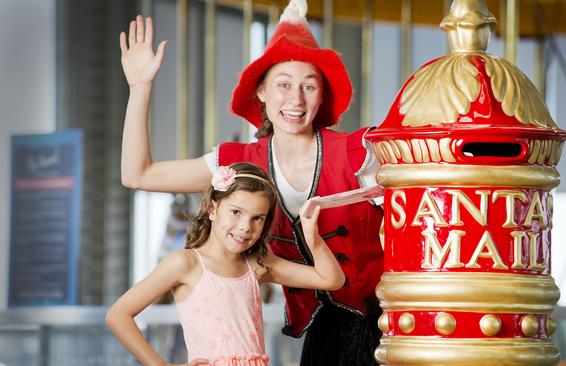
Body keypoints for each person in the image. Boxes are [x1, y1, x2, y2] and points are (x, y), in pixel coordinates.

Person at [119, 0, 384, 364]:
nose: (296, 99)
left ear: (322, 95)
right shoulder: (237, 162)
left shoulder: (360, 153)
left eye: (309, 86)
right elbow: (138, 174)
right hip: (322, 326)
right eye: (283, 84)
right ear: (260, 91)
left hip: (384, 317)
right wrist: (140, 87)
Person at [106, 162, 345, 366]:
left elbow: (331, 280)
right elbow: (118, 315)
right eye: (236, 212)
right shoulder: (185, 263)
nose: (245, 226)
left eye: (257, 218)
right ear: (212, 208)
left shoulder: (259, 264)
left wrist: (312, 237)